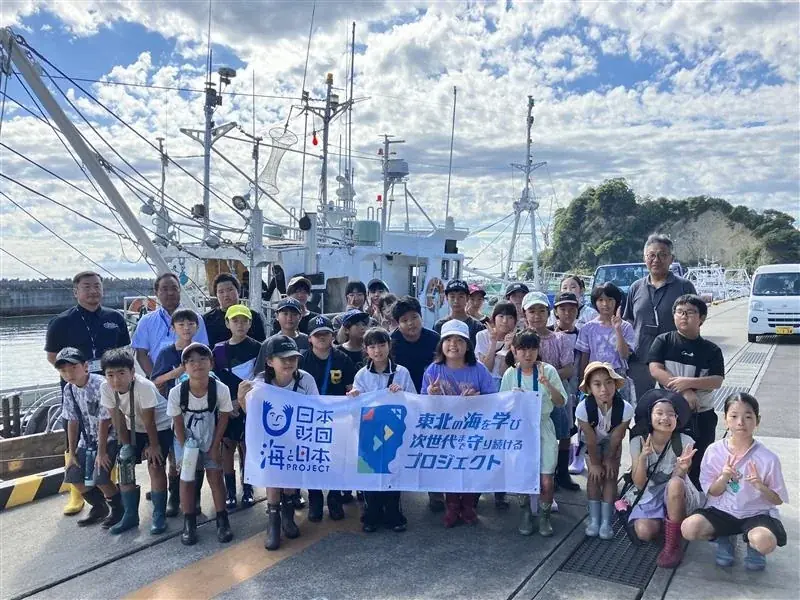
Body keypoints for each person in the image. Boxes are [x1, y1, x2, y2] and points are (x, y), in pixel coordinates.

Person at [44, 271, 130, 516]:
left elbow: (124, 349)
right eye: (87, 287)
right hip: (77, 384)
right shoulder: (61, 321)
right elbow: (52, 356)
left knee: (111, 433)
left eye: (97, 286)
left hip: (110, 383)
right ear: (76, 291)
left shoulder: (115, 317)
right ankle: (77, 496)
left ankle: (108, 491)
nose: (93, 291)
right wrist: (76, 375)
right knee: (75, 435)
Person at [681, 393, 788, 571]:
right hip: (722, 511)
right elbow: (712, 492)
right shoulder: (714, 451)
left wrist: (760, 486)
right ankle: (725, 537)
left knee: (764, 542)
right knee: (689, 528)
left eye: (748, 417)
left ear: (757, 420)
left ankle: (754, 547)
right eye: (734, 416)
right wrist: (723, 477)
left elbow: (777, 500)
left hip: (756, 513)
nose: (740, 422)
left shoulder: (768, 458)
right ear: (725, 419)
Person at [238, 335, 320, 551]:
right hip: (270, 440)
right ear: (269, 361)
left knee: (292, 478)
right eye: (282, 358)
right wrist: (241, 400)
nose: (288, 362)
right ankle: (273, 522)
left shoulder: (306, 380)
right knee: (273, 478)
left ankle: (288, 516)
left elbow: (318, 408)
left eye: (293, 357)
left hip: (297, 439)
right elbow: (251, 414)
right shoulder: (259, 384)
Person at [421, 319, 495, 527]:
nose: (453, 345)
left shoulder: (478, 370)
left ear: (468, 345)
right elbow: (421, 404)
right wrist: (431, 394)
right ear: (441, 345)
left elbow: (494, 400)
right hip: (444, 432)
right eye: (448, 340)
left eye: (459, 340)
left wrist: (477, 399)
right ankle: (452, 506)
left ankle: (469, 506)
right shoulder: (433, 371)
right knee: (450, 469)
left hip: (473, 431)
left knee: (472, 468)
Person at [648, 294, 724, 489]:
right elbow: (655, 369)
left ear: (702, 318)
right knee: (665, 461)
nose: (684, 316)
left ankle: (695, 504)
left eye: (690, 312)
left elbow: (717, 380)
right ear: (674, 316)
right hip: (667, 414)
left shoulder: (712, 350)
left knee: (699, 461)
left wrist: (687, 383)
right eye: (680, 312)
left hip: (701, 415)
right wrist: (683, 392)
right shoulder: (663, 341)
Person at [99, 348, 174, 535]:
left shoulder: (145, 386)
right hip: (133, 426)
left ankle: (158, 515)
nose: (116, 380)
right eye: (110, 375)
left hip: (160, 426)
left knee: (155, 465)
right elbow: (116, 419)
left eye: (121, 373)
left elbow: (150, 420)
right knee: (125, 463)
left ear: (132, 372)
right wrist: (126, 446)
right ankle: (130, 515)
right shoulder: (106, 388)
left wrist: (153, 445)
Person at [348, 327, 416, 533]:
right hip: (369, 432)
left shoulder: (401, 372)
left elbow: (414, 400)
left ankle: (394, 512)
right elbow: (355, 408)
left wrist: (401, 393)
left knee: (392, 470)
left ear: (389, 346)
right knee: (370, 471)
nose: (377, 350)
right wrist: (355, 396)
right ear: (366, 350)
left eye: (381, 345)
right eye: (372, 346)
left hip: (394, 431)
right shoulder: (361, 375)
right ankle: (372, 513)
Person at [500, 331, 566, 537]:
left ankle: (545, 517)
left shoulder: (549, 371)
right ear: (514, 350)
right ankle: (525, 513)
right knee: (523, 477)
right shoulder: (511, 374)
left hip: (543, 428)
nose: (528, 354)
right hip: (520, 432)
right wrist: (513, 399)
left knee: (546, 479)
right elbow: (502, 406)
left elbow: (560, 401)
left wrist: (548, 385)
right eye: (523, 349)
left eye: (532, 349)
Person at [628, 389, 703, 568]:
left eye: (671, 414)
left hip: (675, 493)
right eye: (659, 413)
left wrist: (683, 468)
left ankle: (672, 545)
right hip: (649, 493)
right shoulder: (638, 441)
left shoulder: (685, 441)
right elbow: (639, 483)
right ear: (650, 416)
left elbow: (677, 482)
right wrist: (643, 457)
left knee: (676, 482)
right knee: (644, 532)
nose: (665, 418)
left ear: (677, 419)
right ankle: (672, 525)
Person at [168, 343, 233, 546]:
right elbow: (177, 423)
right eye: (191, 361)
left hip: (210, 437)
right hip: (185, 440)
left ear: (211, 364)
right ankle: (189, 522)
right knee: (186, 480)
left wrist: (215, 447)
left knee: (215, 475)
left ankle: (223, 520)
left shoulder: (220, 389)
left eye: (203, 359)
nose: (197, 364)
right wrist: (184, 451)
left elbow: (223, 418)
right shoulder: (177, 392)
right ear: (184, 367)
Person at [623, 234, 697, 401]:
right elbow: (628, 320)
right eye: (652, 255)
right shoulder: (636, 287)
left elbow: (697, 319)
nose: (656, 259)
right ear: (645, 258)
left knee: (676, 405)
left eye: (663, 255)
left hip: (675, 359)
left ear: (671, 259)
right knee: (643, 406)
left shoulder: (685, 286)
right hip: (641, 360)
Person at [56, 347, 122, 529]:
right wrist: (72, 452)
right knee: (73, 475)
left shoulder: (100, 385)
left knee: (100, 477)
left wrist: (102, 452)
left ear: (85, 366)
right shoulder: (69, 389)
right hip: (87, 439)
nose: (69, 374)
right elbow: (72, 420)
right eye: (63, 370)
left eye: (73, 368)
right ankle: (99, 506)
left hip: (108, 438)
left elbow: (105, 420)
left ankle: (119, 509)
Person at [300, 315, 357, 522]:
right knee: (312, 460)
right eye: (317, 335)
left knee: (336, 459)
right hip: (310, 420)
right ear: (310, 338)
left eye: (325, 333)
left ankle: (334, 497)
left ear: (333, 335)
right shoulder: (301, 360)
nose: (322, 338)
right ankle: (315, 499)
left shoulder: (343, 359)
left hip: (338, 419)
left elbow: (351, 389)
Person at [523, 291, 580, 494]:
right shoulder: (522, 339)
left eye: (541, 310)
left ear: (549, 313)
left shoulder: (560, 338)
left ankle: (561, 473)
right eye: (532, 311)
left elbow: (569, 368)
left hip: (556, 392)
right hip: (529, 396)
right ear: (525, 314)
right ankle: (538, 475)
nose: (536, 315)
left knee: (562, 433)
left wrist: (548, 377)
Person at [575, 362, 634, 539]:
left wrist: (609, 459)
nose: (604, 389)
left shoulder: (625, 409)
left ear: (615, 384)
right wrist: (594, 463)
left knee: (610, 476)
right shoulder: (583, 409)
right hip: (591, 442)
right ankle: (594, 519)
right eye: (597, 384)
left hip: (611, 443)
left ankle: (607, 521)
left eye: (609, 382)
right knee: (594, 477)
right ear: (589, 388)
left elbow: (616, 438)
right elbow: (591, 440)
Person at [213, 304, 261, 511]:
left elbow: (260, 378)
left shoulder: (259, 347)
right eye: (235, 320)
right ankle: (230, 491)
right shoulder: (219, 349)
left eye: (244, 320)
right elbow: (216, 380)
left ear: (250, 323)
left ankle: (248, 489)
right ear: (227, 323)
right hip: (227, 406)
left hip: (249, 405)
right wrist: (228, 402)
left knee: (246, 446)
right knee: (227, 447)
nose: (240, 325)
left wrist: (244, 401)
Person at [132, 272, 209, 377]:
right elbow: (141, 354)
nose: (170, 293)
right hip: (157, 380)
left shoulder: (195, 319)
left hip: (191, 379)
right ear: (156, 292)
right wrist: (155, 379)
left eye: (174, 288)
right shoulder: (146, 321)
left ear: (179, 290)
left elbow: (203, 350)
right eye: (164, 289)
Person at [576, 283, 637, 404]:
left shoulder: (625, 327)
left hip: (618, 375)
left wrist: (617, 329)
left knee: (619, 413)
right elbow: (584, 356)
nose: (605, 304)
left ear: (617, 301)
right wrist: (583, 379)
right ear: (595, 302)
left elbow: (625, 355)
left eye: (610, 299)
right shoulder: (588, 328)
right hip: (594, 374)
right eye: (601, 300)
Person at [390, 296, 440, 394]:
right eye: (404, 320)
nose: (410, 323)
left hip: (431, 391)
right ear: (398, 324)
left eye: (414, 317)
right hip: (401, 392)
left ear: (421, 317)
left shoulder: (435, 339)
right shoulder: (391, 342)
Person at [203, 273, 267, 346]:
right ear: (216, 295)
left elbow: (261, 345)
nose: (226, 295)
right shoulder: (207, 319)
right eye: (221, 292)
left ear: (238, 292)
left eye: (230, 290)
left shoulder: (253, 316)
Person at [151, 309, 199, 396]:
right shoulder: (166, 353)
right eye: (181, 325)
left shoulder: (202, 350)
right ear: (173, 328)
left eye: (191, 324)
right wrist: (173, 374)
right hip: (175, 399)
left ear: (197, 327)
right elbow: (155, 381)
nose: (186, 328)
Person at [474, 300, 517, 391]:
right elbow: (486, 368)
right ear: (494, 318)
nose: (505, 321)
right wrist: (493, 342)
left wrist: (506, 347)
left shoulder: (517, 339)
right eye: (501, 316)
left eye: (510, 317)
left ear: (515, 321)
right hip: (485, 383)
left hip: (507, 383)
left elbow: (502, 373)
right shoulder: (482, 335)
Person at [433, 279, 486, 347]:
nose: (456, 301)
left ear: (467, 298)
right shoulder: (439, 325)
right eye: (452, 296)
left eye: (461, 296)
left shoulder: (477, 326)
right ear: (446, 298)